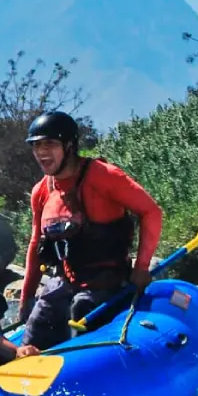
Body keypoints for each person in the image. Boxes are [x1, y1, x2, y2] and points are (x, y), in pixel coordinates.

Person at [19, 111, 163, 350]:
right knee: (35, 330)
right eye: (36, 145)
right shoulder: (41, 191)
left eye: (50, 144)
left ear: (69, 145)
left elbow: (151, 212)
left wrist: (141, 268)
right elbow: (36, 245)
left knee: (82, 308)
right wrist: (26, 297)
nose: (41, 152)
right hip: (63, 282)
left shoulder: (104, 176)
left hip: (107, 281)